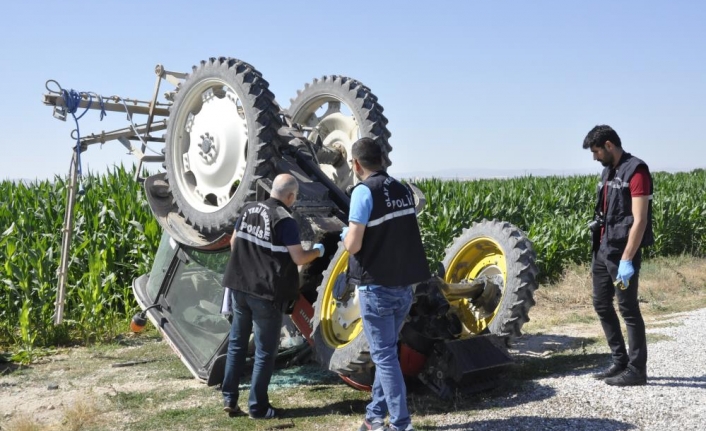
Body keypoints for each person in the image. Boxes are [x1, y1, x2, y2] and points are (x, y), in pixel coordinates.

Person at [342, 138, 430, 431]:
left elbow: (353, 245)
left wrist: (344, 235)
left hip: (376, 287)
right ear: (383, 160)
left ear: (356, 164)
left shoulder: (363, 192)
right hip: (404, 287)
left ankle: (402, 424)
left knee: (384, 358)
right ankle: (374, 418)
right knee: (387, 353)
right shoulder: (402, 190)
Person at [221, 173, 324, 418]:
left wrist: (251, 261)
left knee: (237, 344)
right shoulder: (284, 219)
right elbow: (299, 257)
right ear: (290, 196)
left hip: (239, 287)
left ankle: (229, 398)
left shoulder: (249, 208)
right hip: (265, 294)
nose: (294, 200)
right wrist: (318, 251)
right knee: (266, 352)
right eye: (295, 196)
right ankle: (258, 407)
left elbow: (235, 241)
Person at [583, 125, 653, 386]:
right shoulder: (607, 171)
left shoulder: (637, 171)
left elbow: (640, 220)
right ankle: (620, 361)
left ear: (609, 145)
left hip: (623, 253)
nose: (595, 157)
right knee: (601, 304)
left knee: (628, 309)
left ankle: (637, 370)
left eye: (596, 151)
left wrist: (627, 259)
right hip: (603, 250)